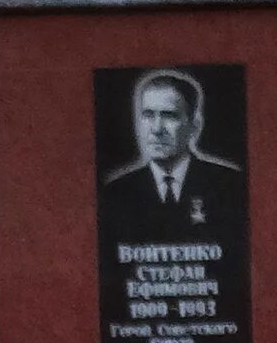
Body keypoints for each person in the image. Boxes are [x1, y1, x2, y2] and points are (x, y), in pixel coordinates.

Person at [97, 68, 245, 244]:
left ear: (194, 126)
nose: (157, 129)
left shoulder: (229, 186)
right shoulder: (115, 192)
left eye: (169, 116)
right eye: (148, 115)